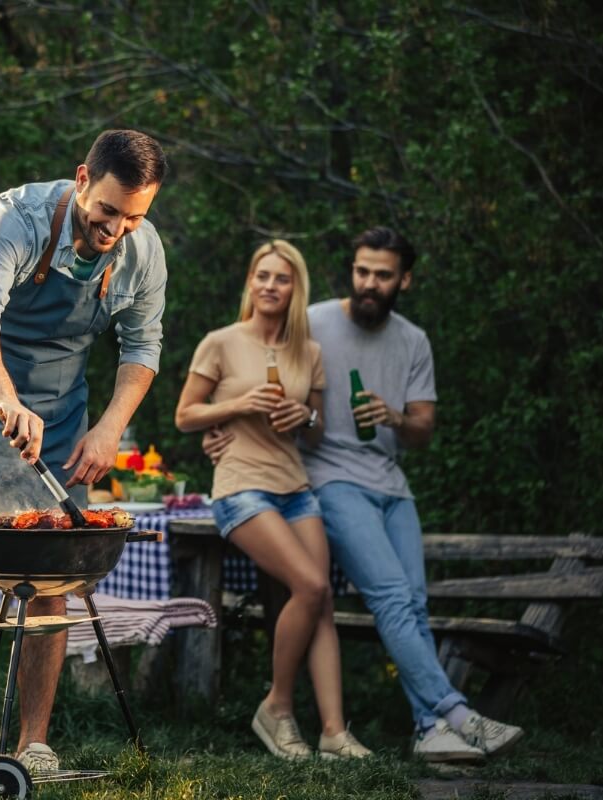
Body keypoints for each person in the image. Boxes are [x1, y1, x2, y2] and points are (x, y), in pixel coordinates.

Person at [0, 130, 168, 783]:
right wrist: (5, 401)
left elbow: (142, 349)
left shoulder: (142, 251)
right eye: (108, 211)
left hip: (62, 411)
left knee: (53, 576)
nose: (117, 229)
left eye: (134, 217)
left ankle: (35, 745)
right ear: (81, 179)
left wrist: (106, 429)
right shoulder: (15, 215)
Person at [205, 227, 523, 762]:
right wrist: (226, 431)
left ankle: (429, 728)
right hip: (330, 480)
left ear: (405, 279)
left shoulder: (413, 340)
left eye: (382, 274)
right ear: (352, 270)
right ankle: (459, 713)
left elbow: (422, 430)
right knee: (392, 598)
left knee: (413, 604)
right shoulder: (314, 322)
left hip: (392, 484)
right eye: (362, 271)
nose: (369, 283)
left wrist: (395, 416)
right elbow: (251, 358)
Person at [175, 241, 372, 760]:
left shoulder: (308, 352)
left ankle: (333, 732)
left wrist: (301, 417)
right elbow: (185, 415)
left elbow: (316, 431)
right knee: (308, 584)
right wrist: (239, 405)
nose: (269, 286)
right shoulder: (220, 342)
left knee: (321, 600)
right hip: (241, 486)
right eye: (262, 276)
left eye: (281, 279)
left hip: (295, 486)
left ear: (294, 289)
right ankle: (277, 707)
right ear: (250, 282)